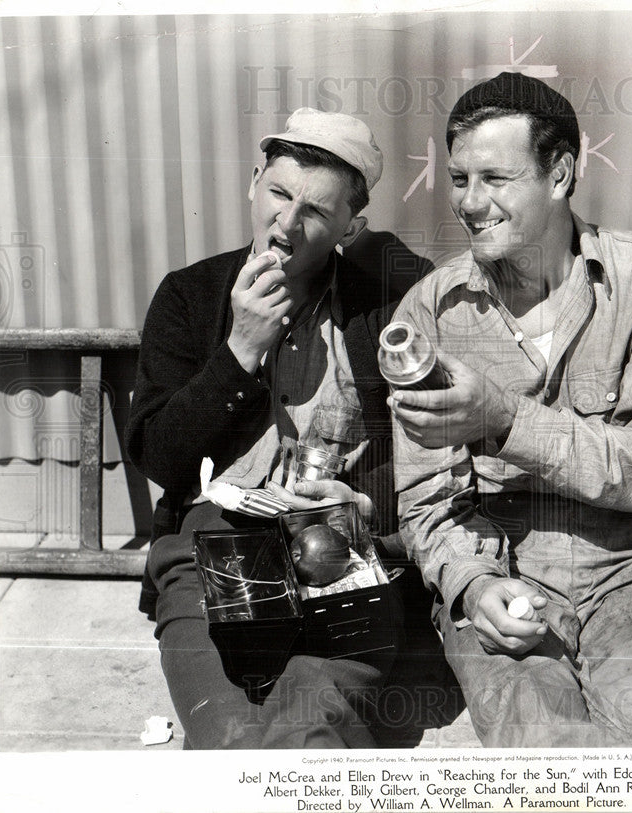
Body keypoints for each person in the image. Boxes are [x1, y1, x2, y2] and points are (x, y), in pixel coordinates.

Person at [388, 72, 632, 748]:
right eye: (459, 179)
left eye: (495, 179)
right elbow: (426, 504)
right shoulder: (430, 310)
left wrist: (505, 420)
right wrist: (474, 588)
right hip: (502, 565)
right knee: (541, 748)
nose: (470, 203)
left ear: (560, 173)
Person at [126, 108, 401, 749]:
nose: (287, 222)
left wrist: (363, 505)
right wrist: (239, 350)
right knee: (228, 734)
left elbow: (423, 451)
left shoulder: (379, 307)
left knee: (313, 731)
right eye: (278, 193)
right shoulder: (189, 296)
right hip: (210, 546)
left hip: (341, 540)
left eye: (317, 211)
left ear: (349, 227)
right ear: (254, 181)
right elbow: (161, 460)